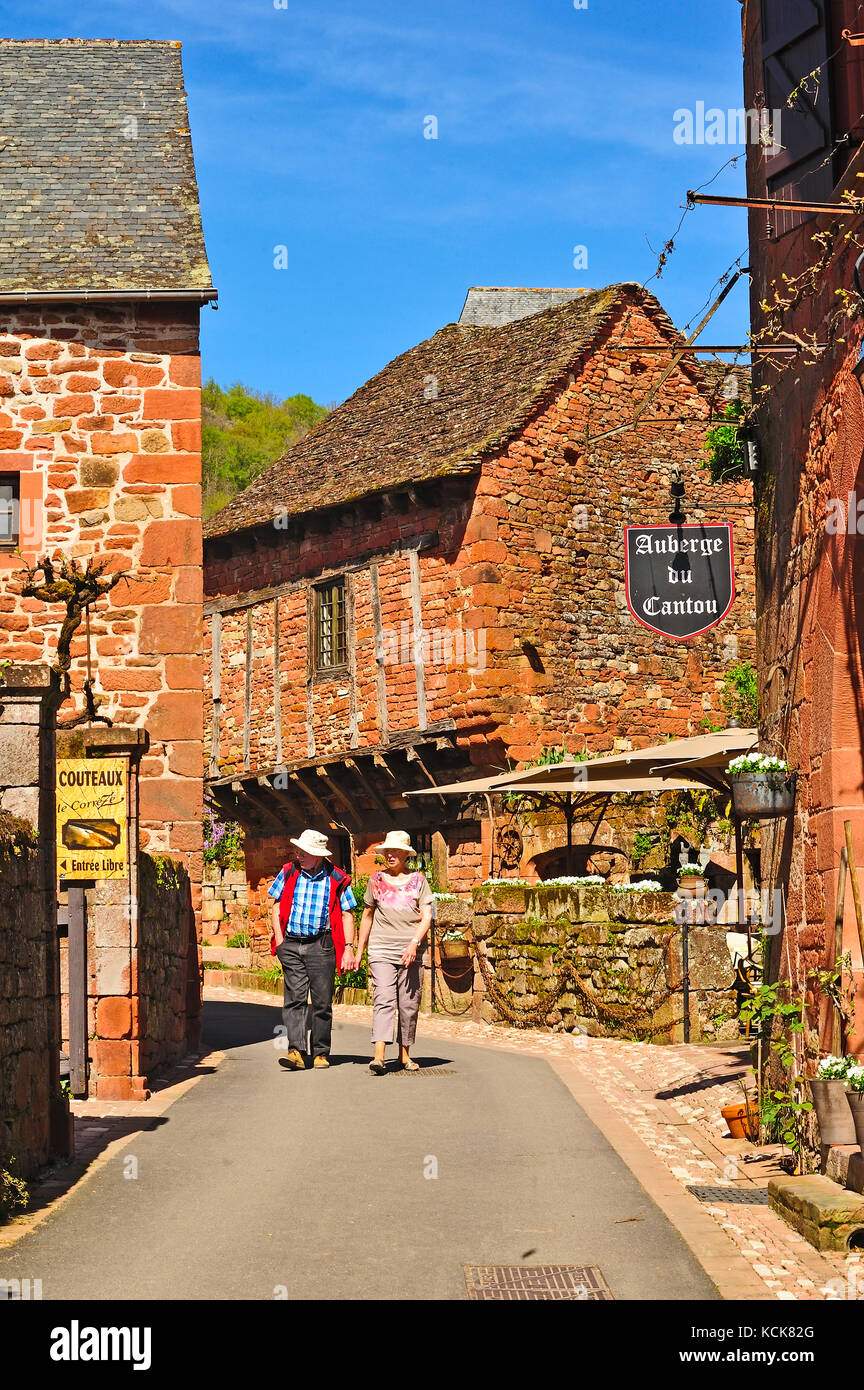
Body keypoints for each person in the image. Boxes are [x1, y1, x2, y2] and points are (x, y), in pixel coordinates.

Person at [268, 829, 356, 1071]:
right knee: (294, 1000)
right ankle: (295, 1051)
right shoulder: (288, 872)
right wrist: (280, 940)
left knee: (321, 1001)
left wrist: (349, 949)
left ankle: (320, 1053)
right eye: (299, 851)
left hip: (322, 945)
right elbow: (276, 907)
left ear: (318, 855)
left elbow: (348, 915)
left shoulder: (336, 879)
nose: (299, 855)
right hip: (292, 943)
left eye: (304, 852)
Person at [352, 831, 433, 1074]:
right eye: (387, 851)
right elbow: (367, 916)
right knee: (384, 1000)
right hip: (381, 949)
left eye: (395, 851)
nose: (390, 854)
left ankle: (405, 1055)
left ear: (406, 855)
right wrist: (359, 951)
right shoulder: (375, 880)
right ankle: (378, 1056)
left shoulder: (419, 880)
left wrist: (414, 943)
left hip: (411, 951)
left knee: (409, 1004)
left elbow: (426, 916)